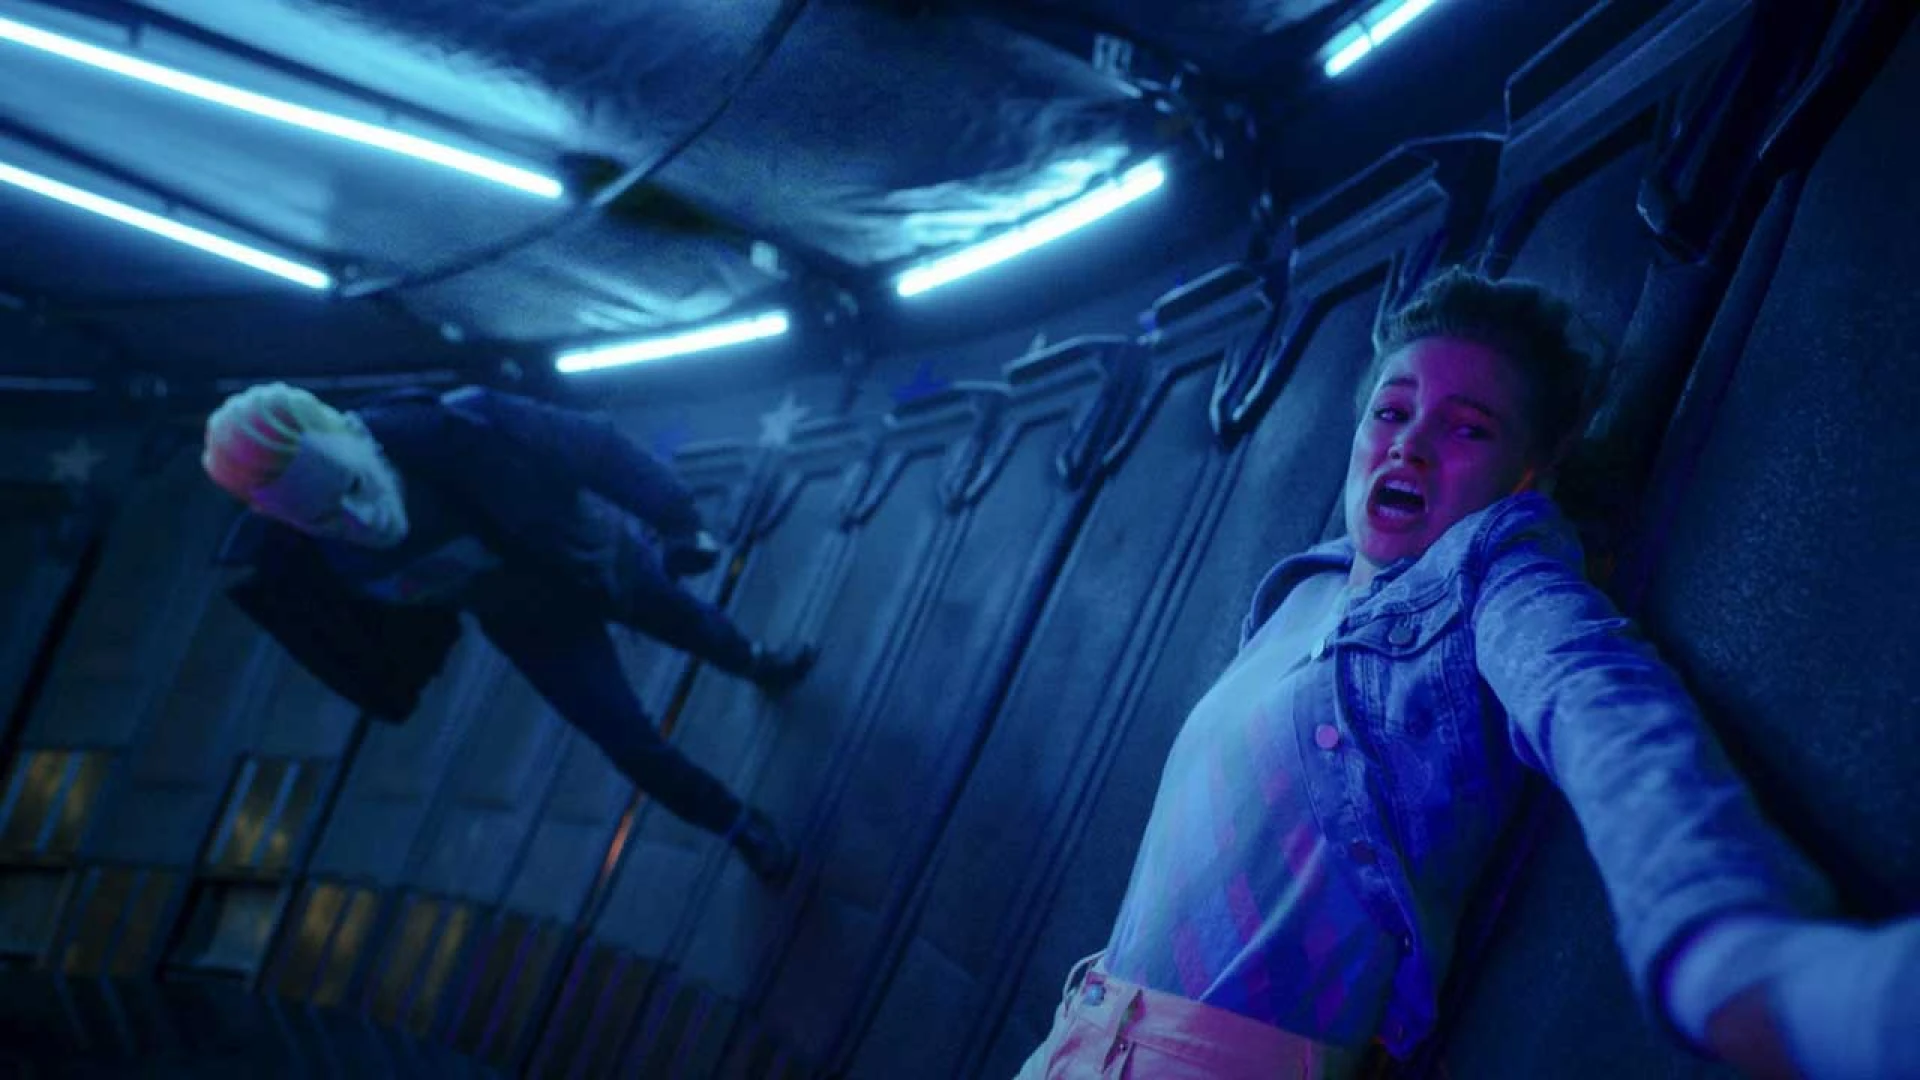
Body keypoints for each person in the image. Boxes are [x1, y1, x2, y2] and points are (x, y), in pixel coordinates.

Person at [1017, 269, 1920, 1079]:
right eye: (1392, 410)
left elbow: (1596, 700)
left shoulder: (1491, 575)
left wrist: (1728, 949)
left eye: (1467, 428)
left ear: (1530, 475)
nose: (1409, 445)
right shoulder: (1305, 586)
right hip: (1076, 1038)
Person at [202, 381, 815, 886]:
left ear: (357, 439)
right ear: (292, 524)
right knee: (627, 739)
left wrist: (677, 520)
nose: (358, 520)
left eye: (352, 489)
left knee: (692, 626)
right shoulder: (320, 561)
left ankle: (756, 662)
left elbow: (593, 447)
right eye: (324, 517)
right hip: (529, 622)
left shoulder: (464, 424)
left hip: (593, 560)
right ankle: (737, 824)